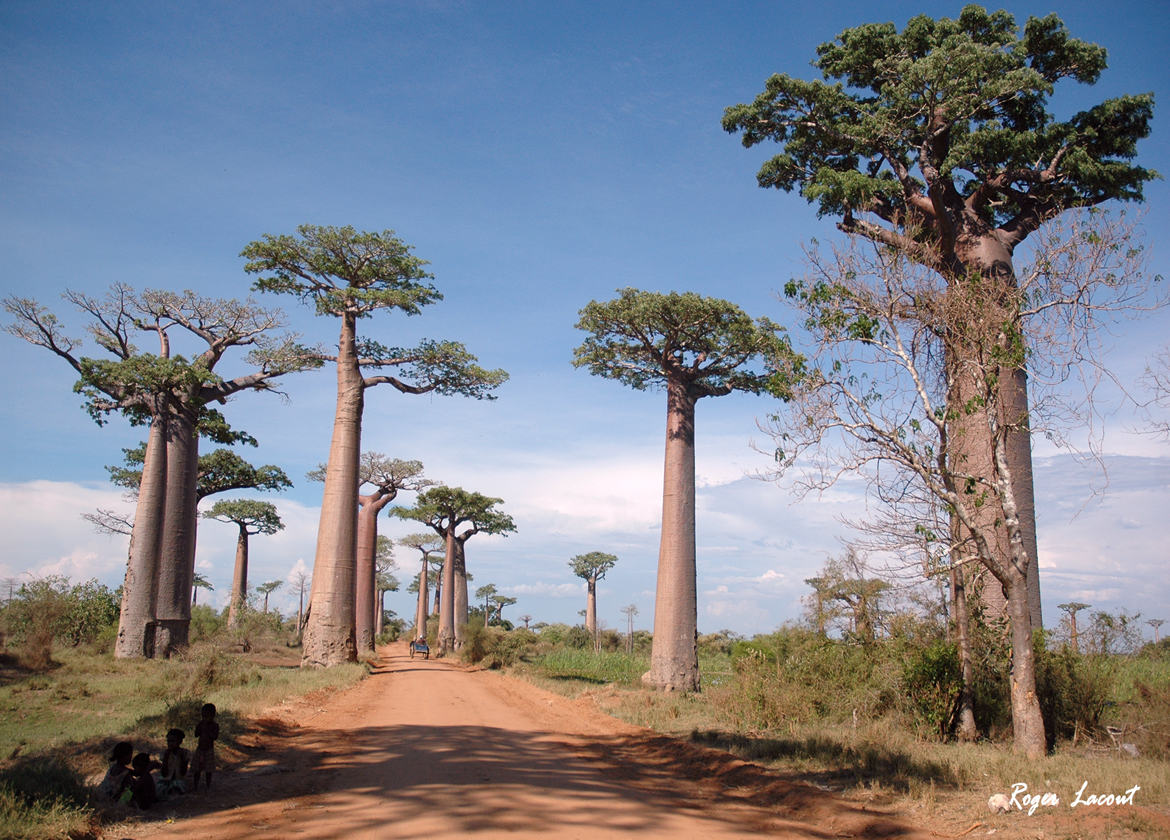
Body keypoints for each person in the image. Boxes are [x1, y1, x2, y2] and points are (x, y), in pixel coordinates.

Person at [191, 702, 220, 791]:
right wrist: (201, 728)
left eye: (207, 716)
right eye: (203, 716)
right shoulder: (201, 724)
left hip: (209, 750)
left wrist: (207, 730)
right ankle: (195, 785)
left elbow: (215, 737)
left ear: (212, 716)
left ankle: (208, 785)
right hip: (200, 749)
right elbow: (196, 734)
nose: (205, 718)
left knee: (208, 770)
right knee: (197, 769)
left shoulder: (214, 726)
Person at [158, 728, 190, 797]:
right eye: (168, 741)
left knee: (178, 786)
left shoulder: (185, 753)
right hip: (166, 780)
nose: (170, 744)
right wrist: (166, 758)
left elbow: (183, 772)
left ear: (180, 741)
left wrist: (182, 758)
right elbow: (164, 773)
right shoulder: (165, 753)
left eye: (172, 741)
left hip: (178, 780)